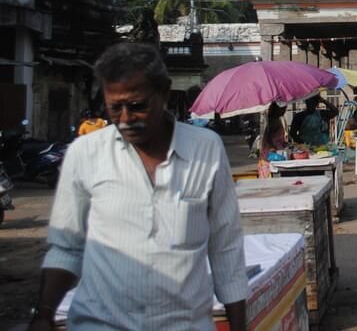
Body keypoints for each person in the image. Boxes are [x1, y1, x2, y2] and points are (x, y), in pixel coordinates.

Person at [30, 42, 247, 331]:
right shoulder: (85, 153)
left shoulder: (206, 150)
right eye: (114, 108)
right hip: (101, 324)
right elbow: (67, 247)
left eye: (136, 106)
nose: (125, 119)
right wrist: (44, 314)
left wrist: (239, 325)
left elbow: (225, 246)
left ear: (164, 94)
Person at [258, 102, 289, 179]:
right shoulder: (273, 122)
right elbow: (273, 140)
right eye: (283, 108)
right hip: (270, 157)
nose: (284, 110)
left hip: (269, 156)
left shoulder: (275, 120)